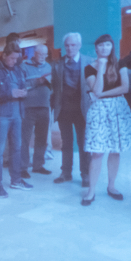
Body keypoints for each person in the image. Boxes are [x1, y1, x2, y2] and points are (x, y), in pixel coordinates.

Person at [81, 34, 131, 206]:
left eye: (108, 45)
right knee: (97, 152)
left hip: (118, 108)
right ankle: (91, 191)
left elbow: (125, 87)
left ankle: (111, 186)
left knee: (115, 150)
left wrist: (101, 94)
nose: (104, 48)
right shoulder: (89, 68)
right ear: (96, 48)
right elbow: (95, 89)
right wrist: (101, 68)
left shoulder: (120, 63)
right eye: (101, 45)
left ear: (112, 47)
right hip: (99, 111)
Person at [0, 42, 31, 197]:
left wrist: (23, 92)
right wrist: (10, 93)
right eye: (12, 58)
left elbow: (22, 86)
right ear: (4, 55)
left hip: (17, 114)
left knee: (17, 148)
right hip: (1, 116)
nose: (14, 61)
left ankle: (16, 180)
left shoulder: (17, 69)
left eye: (16, 59)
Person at [52, 32, 92, 187]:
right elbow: (54, 87)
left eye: (73, 45)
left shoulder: (89, 62)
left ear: (79, 45)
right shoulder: (57, 64)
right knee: (66, 143)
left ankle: (86, 174)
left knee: (83, 143)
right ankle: (66, 173)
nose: (69, 48)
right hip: (64, 110)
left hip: (82, 110)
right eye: (67, 45)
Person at [20, 44, 53, 177]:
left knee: (42, 138)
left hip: (44, 107)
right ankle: (22, 167)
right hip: (28, 108)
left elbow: (53, 86)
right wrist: (37, 81)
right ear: (34, 53)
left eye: (45, 54)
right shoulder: (24, 66)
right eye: (40, 54)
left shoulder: (49, 67)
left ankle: (38, 165)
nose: (43, 57)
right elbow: (20, 85)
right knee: (25, 139)